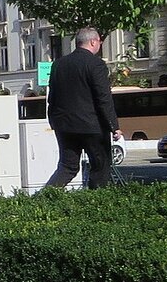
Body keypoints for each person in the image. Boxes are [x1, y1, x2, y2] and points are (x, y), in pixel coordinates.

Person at [44, 26, 118, 189]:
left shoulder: (59, 64)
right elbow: (103, 97)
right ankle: (95, 201)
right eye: (99, 41)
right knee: (100, 166)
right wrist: (114, 126)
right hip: (92, 126)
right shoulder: (96, 64)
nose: (100, 44)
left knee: (67, 167)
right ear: (93, 42)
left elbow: (52, 96)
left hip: (64, 125)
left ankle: (43, 198)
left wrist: (54, 121)